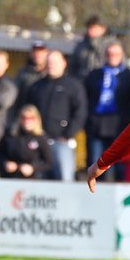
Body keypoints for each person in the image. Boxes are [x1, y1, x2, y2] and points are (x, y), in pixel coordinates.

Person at [25, 50, 87, 181]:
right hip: (40, 141)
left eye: (54, 62)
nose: (51, 65)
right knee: (40, 179)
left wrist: (68, 134)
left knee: (64, 178)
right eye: (48, 62)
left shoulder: (73, 86)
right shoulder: (37, 86)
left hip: (62, 141)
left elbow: (80, 112)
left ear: (64, 63)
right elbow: (28, 110)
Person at [83, 40, 130, 182]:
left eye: (116, 54)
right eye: (109, 54)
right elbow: (86, 97)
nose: (112, 57)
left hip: (119, 127)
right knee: (96, 164)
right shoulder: (94, 75)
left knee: (120, 167)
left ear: (121, 55)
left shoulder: (129, 76)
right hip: (97, 126)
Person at [0, 105, 53, 179]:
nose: (27, 121)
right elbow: (0, 153)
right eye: (24, 118)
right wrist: (5, 163)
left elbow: (48, 162)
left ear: (36, 119)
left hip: (32, 178)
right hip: (10, 177)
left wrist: (33, 168)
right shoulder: (10, 135)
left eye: (31, 118)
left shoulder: (41, 138)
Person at [70, 15, 110, 81]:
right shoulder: (81, 46)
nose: (91, 31)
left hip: (103, 81)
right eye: (89, 28)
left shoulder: (110, 46)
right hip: (83, 81)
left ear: (103, 29)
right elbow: (72, 67)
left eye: (94, 28)